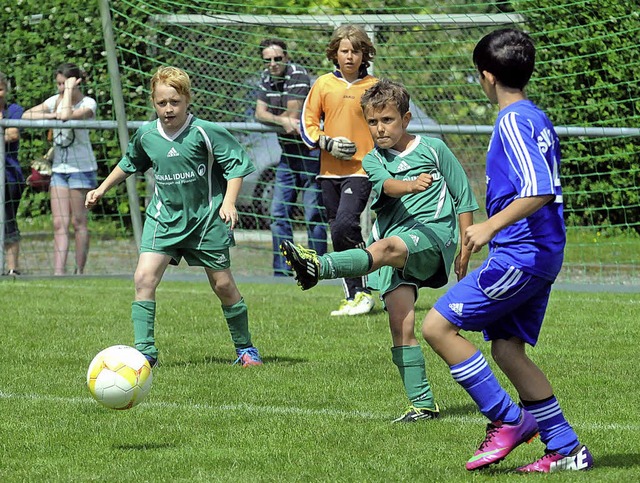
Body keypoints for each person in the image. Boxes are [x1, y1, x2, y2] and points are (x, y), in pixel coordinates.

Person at [420, 29, 593, 473]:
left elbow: (538, 190)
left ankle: (508, 420)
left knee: (438, 327)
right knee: (507, 351)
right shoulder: (535, 116)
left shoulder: (513, 120)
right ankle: (568, 449)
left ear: (486, 77)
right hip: (539, 253)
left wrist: (486, 228)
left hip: (522, 254)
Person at [281, 79, 478, 422]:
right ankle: (422, 404)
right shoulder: (372, 159)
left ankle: (319, 267)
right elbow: (387, 185)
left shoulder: (434, 148)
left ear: (406, 118)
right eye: (372, 122)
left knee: (383, 247)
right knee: (400, 324)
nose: (380, 128)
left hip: (433, 235)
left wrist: (465, 247)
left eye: (387, 120)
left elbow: (463, 196)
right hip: (395, 237)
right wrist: (409, 185)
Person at [85, 66, 263, 368]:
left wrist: (229, 203)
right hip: (164, 219)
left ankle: (245, 349)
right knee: (143, 278)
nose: (168, 109)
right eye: (162, 103)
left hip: (205, 220)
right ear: (153, 103)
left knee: (223, 286)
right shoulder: (147, 134)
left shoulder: (205, 132)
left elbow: (236, 166)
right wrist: (101, 188)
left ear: (187, 100)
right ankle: (145, 353)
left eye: (175, 102)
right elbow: (130, 163)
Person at [300, 24, 378, 316]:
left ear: (364, 54)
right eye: (344, 50)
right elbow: (306, 124)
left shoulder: (374, 86)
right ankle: (353, 295)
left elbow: (385, 123)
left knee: (346, 223)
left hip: (361, 169)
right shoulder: (323, 84)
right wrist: (325, 141)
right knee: (338, 230)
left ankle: (366, 288)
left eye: (355, 51)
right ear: (335, 53)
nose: (349, 56)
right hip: (328, 172)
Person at [254, 38, 327, 276]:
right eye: (268, 60)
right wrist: (279, 120)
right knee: (277, 213)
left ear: (286, 58)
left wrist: (280, 117)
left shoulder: (298, 74)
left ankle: (319, 269)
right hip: (287, 155)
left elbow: (293, 114)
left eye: (277, 59)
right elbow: (260, 113)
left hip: (310, 154)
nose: (273, 64)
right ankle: (282, 271)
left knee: (313, 214)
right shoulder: (266, 77)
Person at [22, 62, 97, 275]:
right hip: (59, 170)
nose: (60, 88)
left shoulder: (88, 103)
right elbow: (27, 115)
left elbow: (66, 116)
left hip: (81, 169)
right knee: (59, 223)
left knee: (79, 222)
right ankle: (59, 272)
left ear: (76, 82)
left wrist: (70, 93)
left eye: (64, 83)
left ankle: (79, 271)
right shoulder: (54, 102)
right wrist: (51, 115)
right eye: (59, 84)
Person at [0, 71, 24, 276]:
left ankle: (12, 268)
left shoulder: (14, 110)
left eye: (1, 88)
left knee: (8, 221)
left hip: (9, 177)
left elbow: (12, 133)